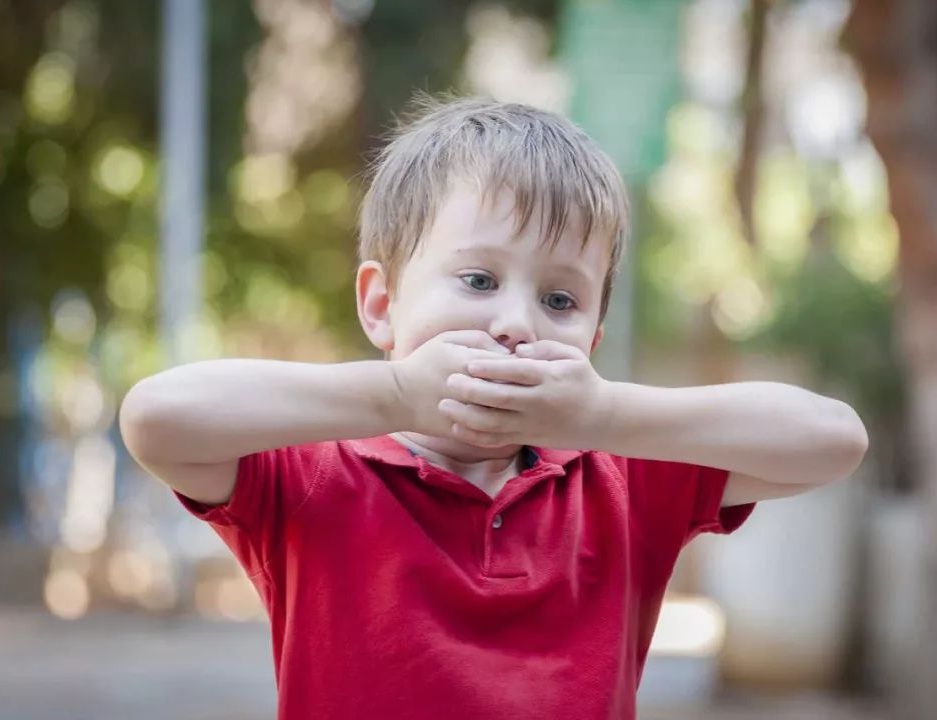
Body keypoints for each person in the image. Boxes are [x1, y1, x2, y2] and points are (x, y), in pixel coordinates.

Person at [119, 96, 868, 719]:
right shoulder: (315, 475)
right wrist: (395, 393)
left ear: (593, 338)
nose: (517, 322)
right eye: (478, 280)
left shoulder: (625, 480)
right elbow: (155, 417)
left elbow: (834, 440)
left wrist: (604, 415)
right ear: (381, 306)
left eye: (560, 299)